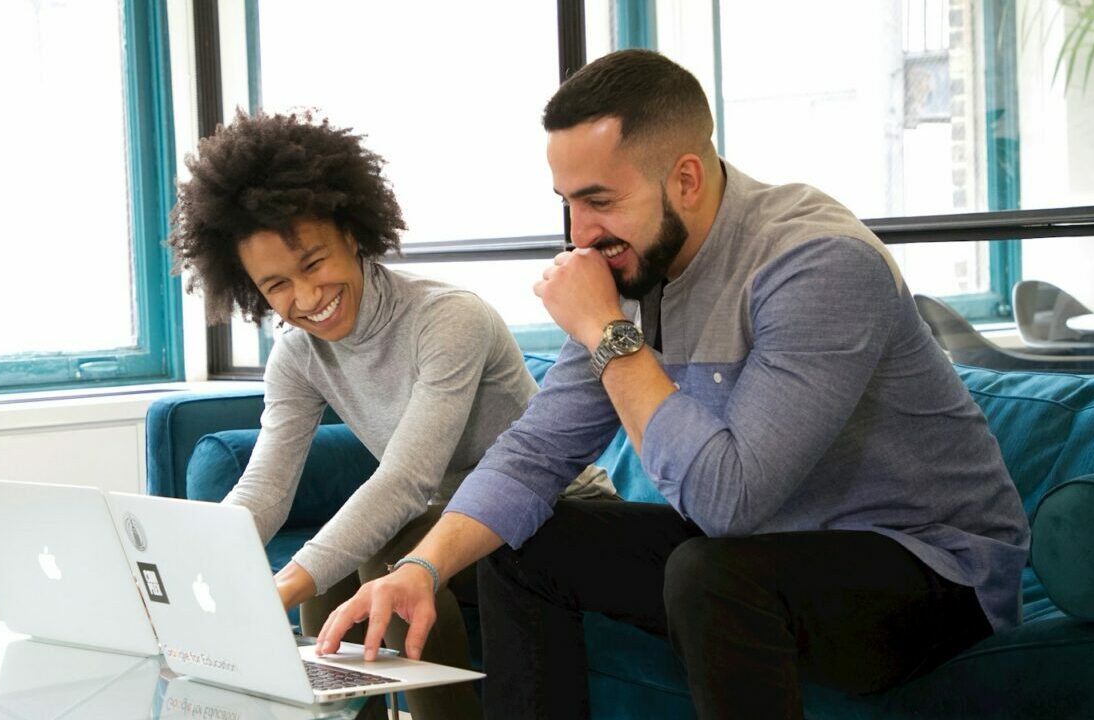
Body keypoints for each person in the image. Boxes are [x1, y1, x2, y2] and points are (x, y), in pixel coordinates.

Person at [315, 49, 1031, 719]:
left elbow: (729, 503)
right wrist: (420, 568)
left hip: (931, 569)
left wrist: (606, 333)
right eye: (567, 202)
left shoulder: (818, 263)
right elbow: (534, 455)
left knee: (711, 572)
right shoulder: (632, 267)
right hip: (763, 552)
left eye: (599, 200)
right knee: (524, 545)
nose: (580, 232)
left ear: (686, 178)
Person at [166, 110, 612, 720]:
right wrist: (193, 565)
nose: (306, 298)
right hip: (442, 521)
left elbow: (407, 480)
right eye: (277, 286)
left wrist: (285, 583)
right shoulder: (297, 353)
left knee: (377, 559)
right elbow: (265, 488)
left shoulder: (447, 318)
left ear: (353, 233)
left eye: (314, 263)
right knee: (337, 580)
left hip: (554, 512)